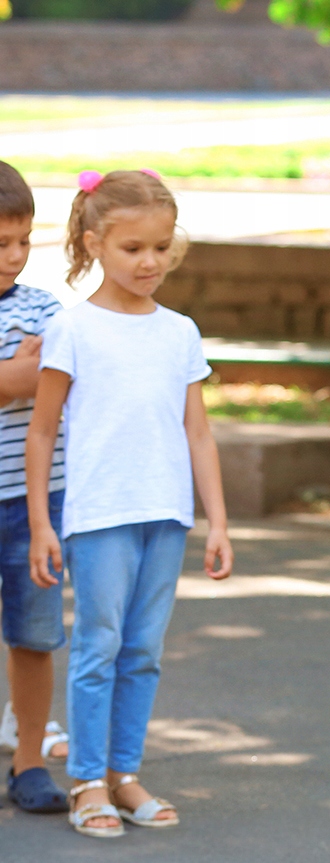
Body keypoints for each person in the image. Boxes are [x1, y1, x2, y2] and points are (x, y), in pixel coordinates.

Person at [25, 169, 234, 838]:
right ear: (95, 244)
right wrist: (39, 524)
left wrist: (217, 520)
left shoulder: (179, 332)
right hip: (98, 516)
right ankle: (86, 780)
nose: (150, 262)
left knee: (143, 650)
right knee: (98, 647)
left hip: (165, 514)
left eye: (161, 247)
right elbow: (43, 429)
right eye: (132, 248)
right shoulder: (74, 329)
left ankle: (125, 772)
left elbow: (197, 431)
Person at [0, 161, 70, 815]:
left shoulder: (46, 308)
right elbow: (23, 383)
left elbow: (54, 379)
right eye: (1, 244)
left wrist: (22, 374)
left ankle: (28, 762)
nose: (16, 256)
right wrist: (16, 372)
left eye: (24, 241)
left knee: (34, 633)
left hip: (33, 504)